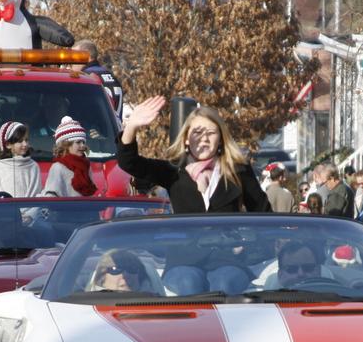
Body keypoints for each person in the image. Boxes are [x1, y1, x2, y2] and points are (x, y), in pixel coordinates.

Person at [116, 96, 269, 214]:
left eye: (211, 133)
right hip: (186, 254)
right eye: (197, 132)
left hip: (228, 253)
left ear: (221, 140)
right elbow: (128, 162)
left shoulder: (238, 169)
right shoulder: (173, 170)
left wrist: (247, 247)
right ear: (186, 139)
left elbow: (263, 214)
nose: (204, 138)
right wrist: (132, 127)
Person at [0, 121, 41, 199]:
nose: (25, 144)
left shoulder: (33, 166)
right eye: (20, 141)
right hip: (4, 209)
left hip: (29, 209)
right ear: (8, 144)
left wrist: (26, 210)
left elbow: (35, 194)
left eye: (26, 140)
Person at [70, 39, 124, 121]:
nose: (70, 62)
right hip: (117, 130)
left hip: (97, 131)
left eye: (73, 57)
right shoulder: (111, 77)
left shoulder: (86, 79)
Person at [43, 116, 97, 197]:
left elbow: (90, 194)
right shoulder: (58, 167)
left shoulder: (86, 165)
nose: (82, 145)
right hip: (64, 209)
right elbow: (51, 195)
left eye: (83, 142)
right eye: (78, 142)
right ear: (66, 145)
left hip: (85, 208)